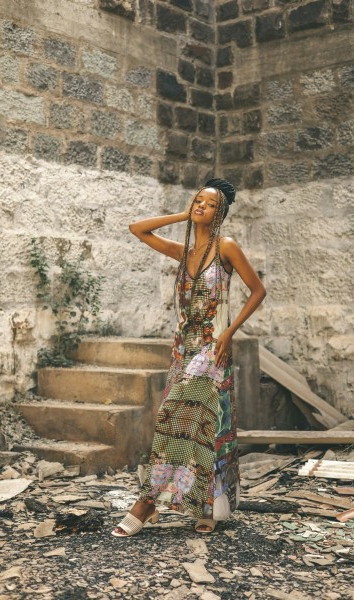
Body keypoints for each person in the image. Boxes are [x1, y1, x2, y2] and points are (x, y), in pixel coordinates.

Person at [111, 178, 266, 537]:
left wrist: (231, 331)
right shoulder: (182, 251)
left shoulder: (226, 247)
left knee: (179, 417)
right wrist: (184, 214)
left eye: (209, 204)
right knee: (203, 424)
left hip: (214, 347)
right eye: (198, 201)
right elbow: (138, 229)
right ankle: (204, 505)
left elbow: (258, 291)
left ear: (220, 213)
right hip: (183, 349)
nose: (200, 206)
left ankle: (148, 502)